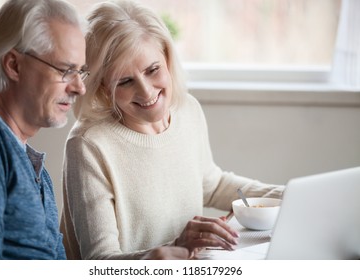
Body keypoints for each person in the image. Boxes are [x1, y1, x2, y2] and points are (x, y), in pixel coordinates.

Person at [60, 0, 284, 260]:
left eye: (152, 69)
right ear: (101, 87)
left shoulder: (187, 109)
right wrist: (177, 245)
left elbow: (211, 184)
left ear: (167, 57)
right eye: (125, 81)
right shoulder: (88, 145)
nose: (146, 91)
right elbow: (99, 261)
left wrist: (288, 196)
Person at [0, 0, 88, 259]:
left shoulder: (36, 169)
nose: (80, 88)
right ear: (13, 65)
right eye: (66, 70)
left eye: (81, 72)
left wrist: (143, 265)